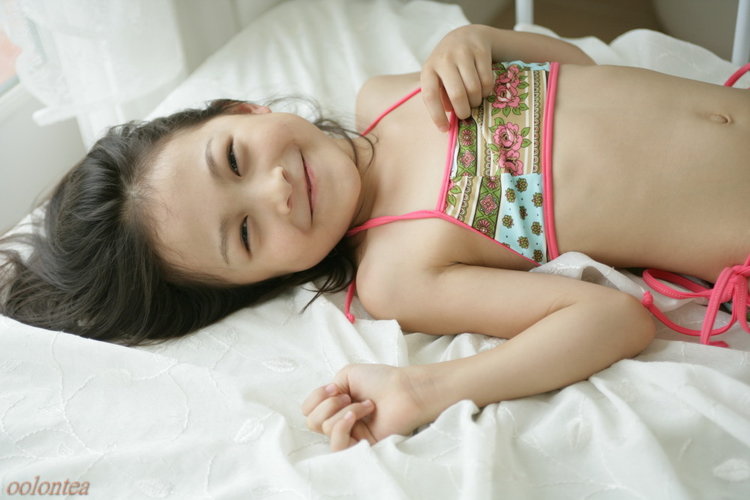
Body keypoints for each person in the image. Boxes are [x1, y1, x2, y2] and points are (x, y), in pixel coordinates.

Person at [1, 25, 748, 451]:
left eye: (233, 159)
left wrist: (480, 40)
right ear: (259, 281)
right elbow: (611, 318)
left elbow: (583, 73)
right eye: (247, 233)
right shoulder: (399, 270)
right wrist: (427, 389)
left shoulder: (391, 95)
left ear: (242, 108)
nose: (275, 190)